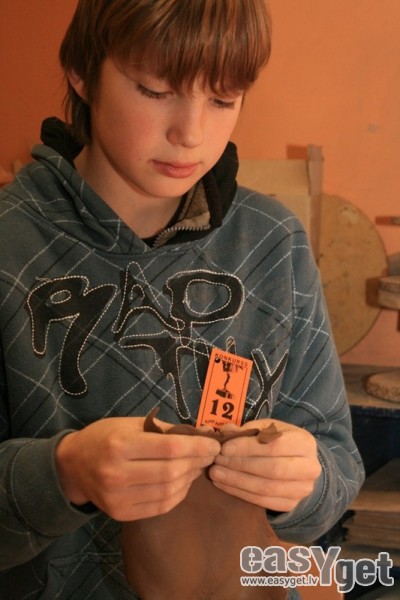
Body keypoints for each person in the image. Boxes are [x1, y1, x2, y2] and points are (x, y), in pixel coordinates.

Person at [0, 1, 364, 598]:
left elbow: (338, 469)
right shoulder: (10, 244)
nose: (191, 134)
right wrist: (64, 474)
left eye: (223, 99)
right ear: (82, 73)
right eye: (154, 90)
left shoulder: (273, 243)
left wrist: (304, 482)